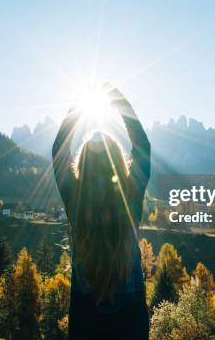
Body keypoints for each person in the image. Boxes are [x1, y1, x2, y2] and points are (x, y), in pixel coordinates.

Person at [52, 84, 151, 340]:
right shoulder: (130, 193)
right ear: (118, 161)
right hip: (131, 312)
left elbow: (58, 151)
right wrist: (119, 101)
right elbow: (143, 146)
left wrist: (77, 106)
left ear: (82, 164)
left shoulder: (75, 198)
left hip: (86, 310)